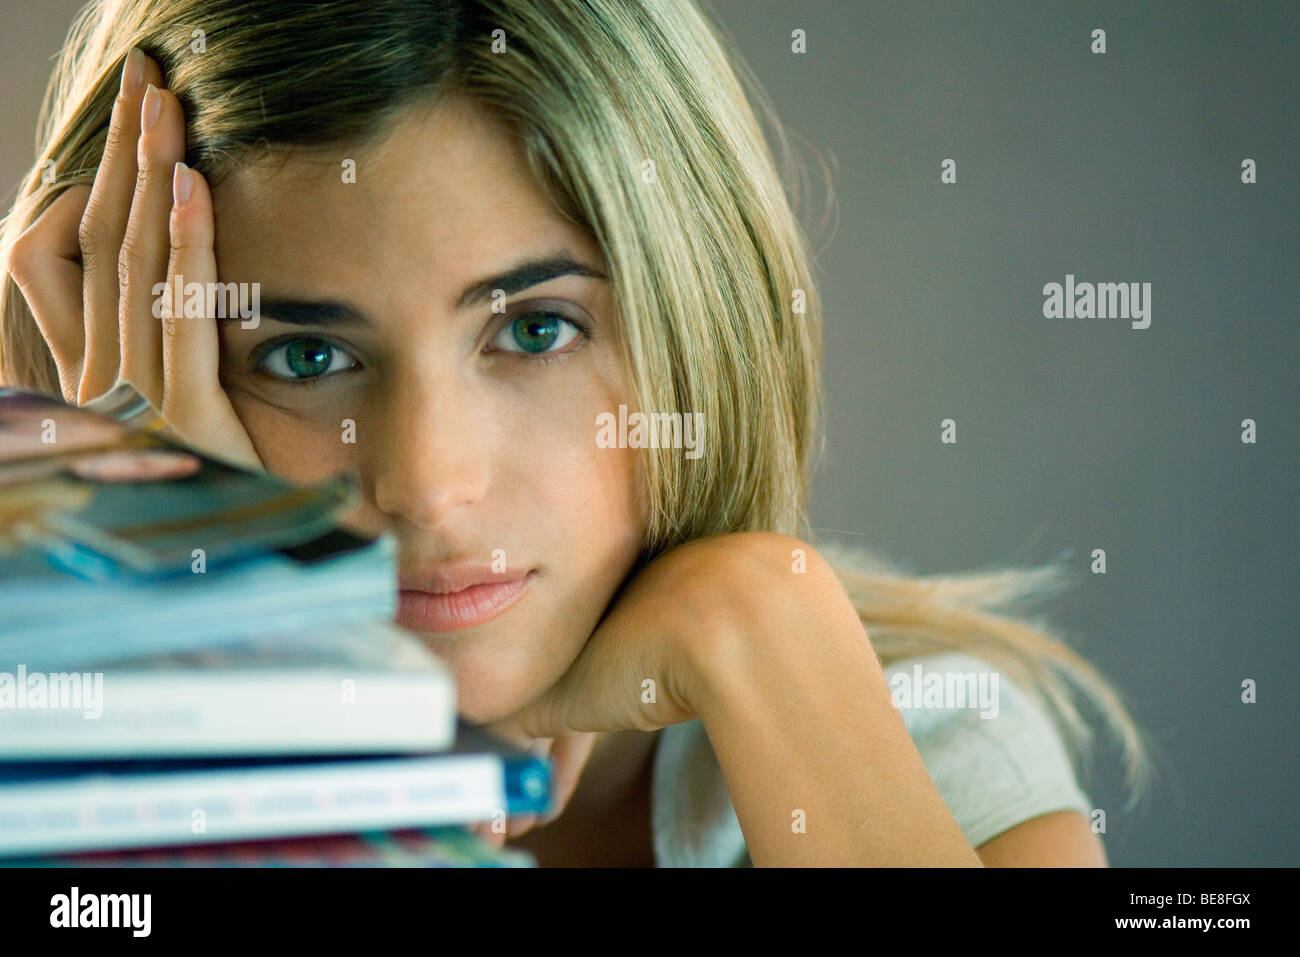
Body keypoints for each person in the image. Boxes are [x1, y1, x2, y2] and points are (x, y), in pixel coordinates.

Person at [0, 0, 1151, 866]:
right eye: (307, 358)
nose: (429, 485)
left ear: (700, 314)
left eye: (537, 330)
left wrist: (761, 621)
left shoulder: (917, 753)